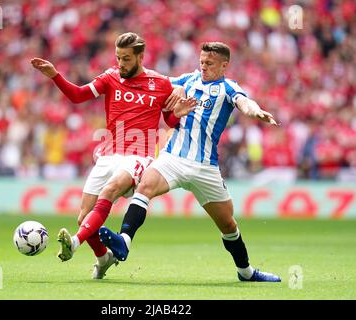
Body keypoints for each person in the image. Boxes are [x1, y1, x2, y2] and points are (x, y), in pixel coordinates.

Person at [98, 42, 282, 282]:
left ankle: (246, 272)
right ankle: (124, 241)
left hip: (205, 167)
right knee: (144, 187)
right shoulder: (189, 80)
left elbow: (244, 102)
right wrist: (133, 70)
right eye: (202, 62)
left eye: (210, 64)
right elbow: (156, 82)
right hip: (173, 158)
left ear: (224, 65)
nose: (204, 67)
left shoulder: (228, 88)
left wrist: (255, 111)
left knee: (228, 224)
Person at [31, 32, 195, 279]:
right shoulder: (110, 77)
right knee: (84, 217)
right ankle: (103, 258)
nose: (121, 63)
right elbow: (78, 95)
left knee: (109, 191)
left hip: (140, 154)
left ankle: (73, 244)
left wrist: (177, 114)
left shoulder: (159, 84)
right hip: (109, 153)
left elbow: (169, 119)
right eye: (118, 57)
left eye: (126, 59)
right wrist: (55, 75)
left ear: (140, 56)